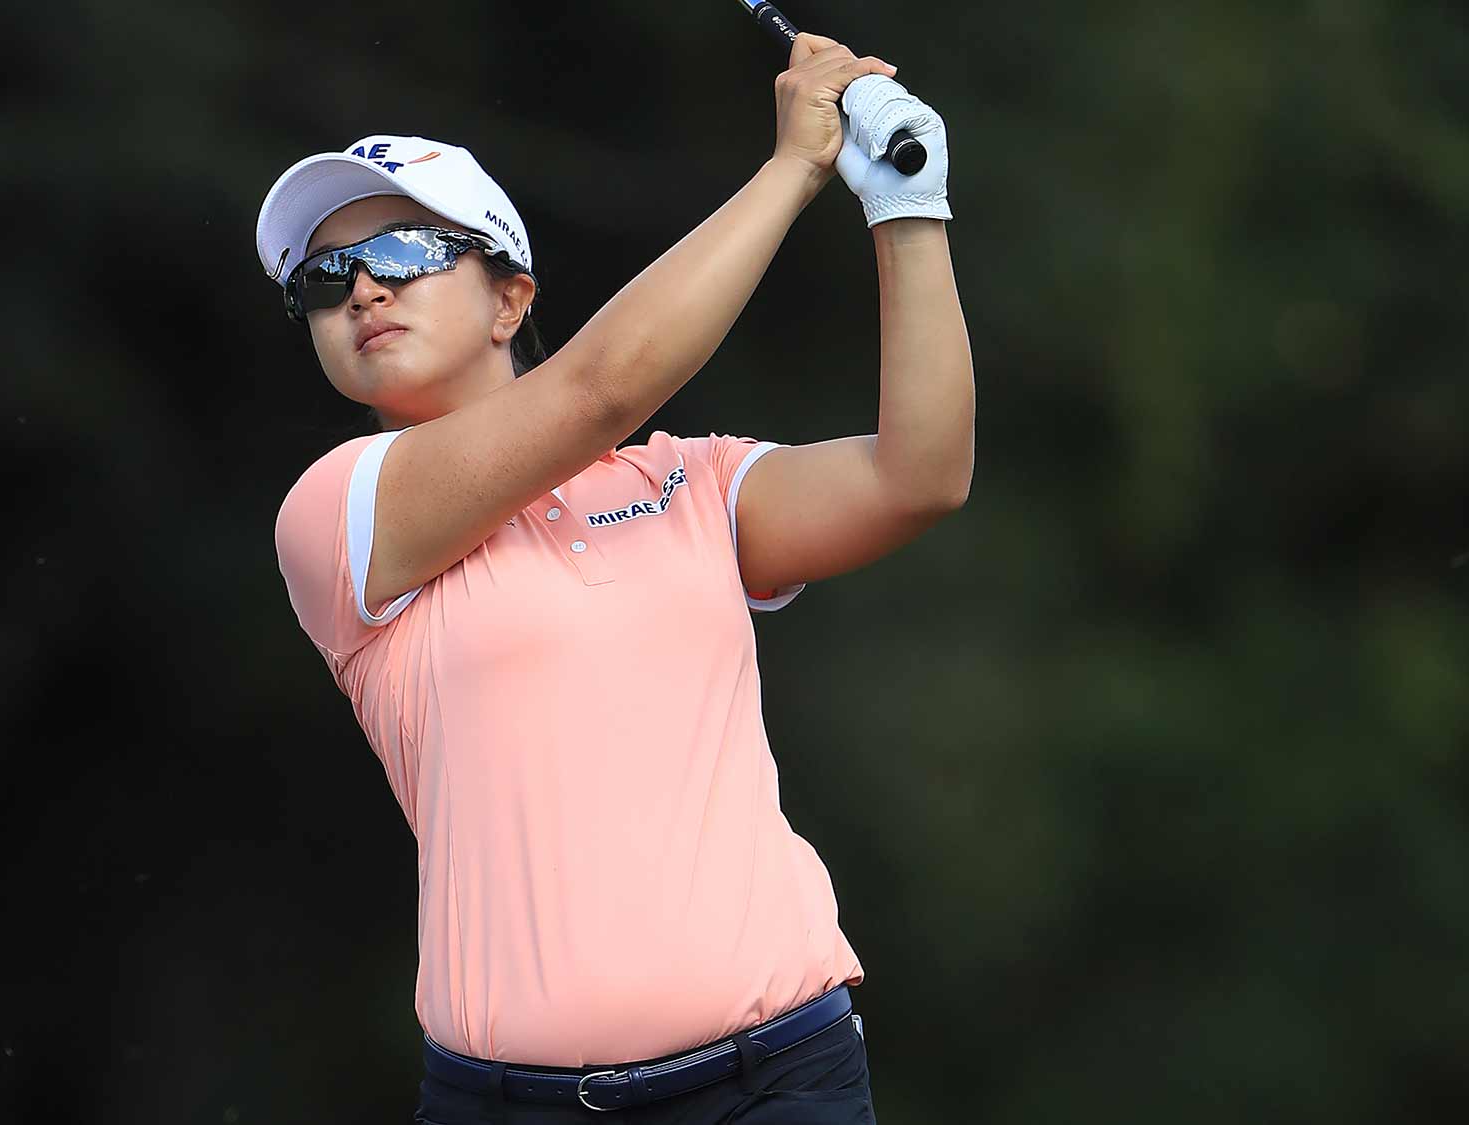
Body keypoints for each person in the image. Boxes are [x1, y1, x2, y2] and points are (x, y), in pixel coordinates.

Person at [260, 30, 972, 1125]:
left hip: (777, 1081)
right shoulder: (339, 514)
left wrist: (904, 210)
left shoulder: (688, 484)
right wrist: (791, 169)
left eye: (403, 252)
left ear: (508, 302)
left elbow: (915, 475)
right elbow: (596, 390)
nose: (358, 288)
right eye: (321, 277)